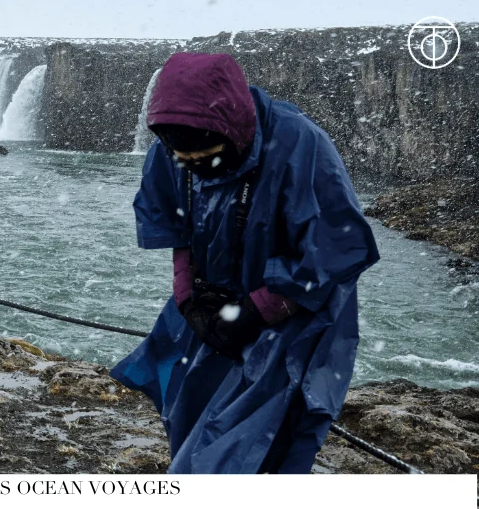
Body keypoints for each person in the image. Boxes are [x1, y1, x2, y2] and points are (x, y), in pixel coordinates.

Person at [109, 52, 380, 474]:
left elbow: (335, 251)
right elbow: (177, 228)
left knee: (254, 441)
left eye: (208, 158)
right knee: (188, 410)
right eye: (186, 161)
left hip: (295, 313)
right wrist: (188, 301)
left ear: (233, 131)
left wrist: (257, 310)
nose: (194, 168)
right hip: (213, 299)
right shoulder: (175, 147)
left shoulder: (300, 147)